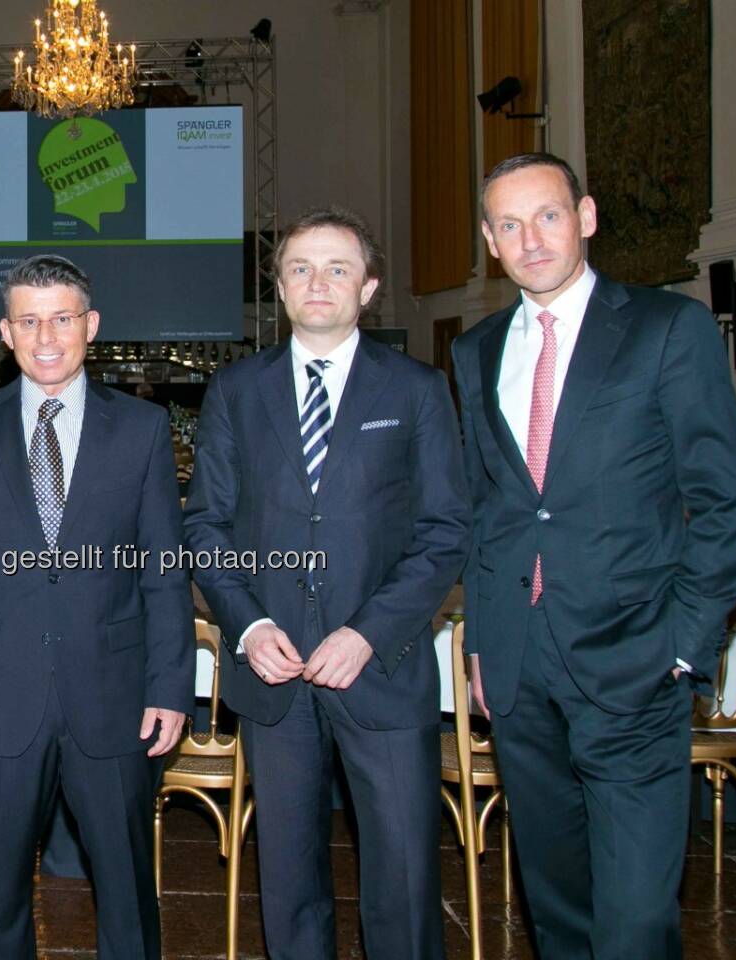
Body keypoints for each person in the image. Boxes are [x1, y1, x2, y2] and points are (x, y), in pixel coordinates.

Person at [453, 152, 736, 958]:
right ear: (490, 240)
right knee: (556, 908)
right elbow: (490, 511)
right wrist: (483, 643)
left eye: (547, 215)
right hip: (519, 669)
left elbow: (726, 503)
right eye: (509, 225)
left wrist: (685, 646)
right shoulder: (475, 351)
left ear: (584, 217)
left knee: (633, 921)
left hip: (636, 659)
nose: (532, 239)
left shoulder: (666, 327)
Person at [184, 206, 468, 959]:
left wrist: (366, 634)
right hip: (273, 677)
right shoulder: (237, 390)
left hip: (381, 669)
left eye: (338, 268)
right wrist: (247, 625)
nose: (319, 282)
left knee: (404, 875)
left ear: (368, 288)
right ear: (279, 287)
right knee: (288, 876)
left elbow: (445, 530)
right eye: (301, 268)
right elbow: (205, 527)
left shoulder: (416, 390)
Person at [0, 254, 192, 959]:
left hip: (115, 696)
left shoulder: (140, 429)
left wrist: (170, 686)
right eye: (29, 320)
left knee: (128, 890)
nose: (47, 336)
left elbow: (165, 570)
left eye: (62, 318)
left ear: (91, 325)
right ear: (5, 333)